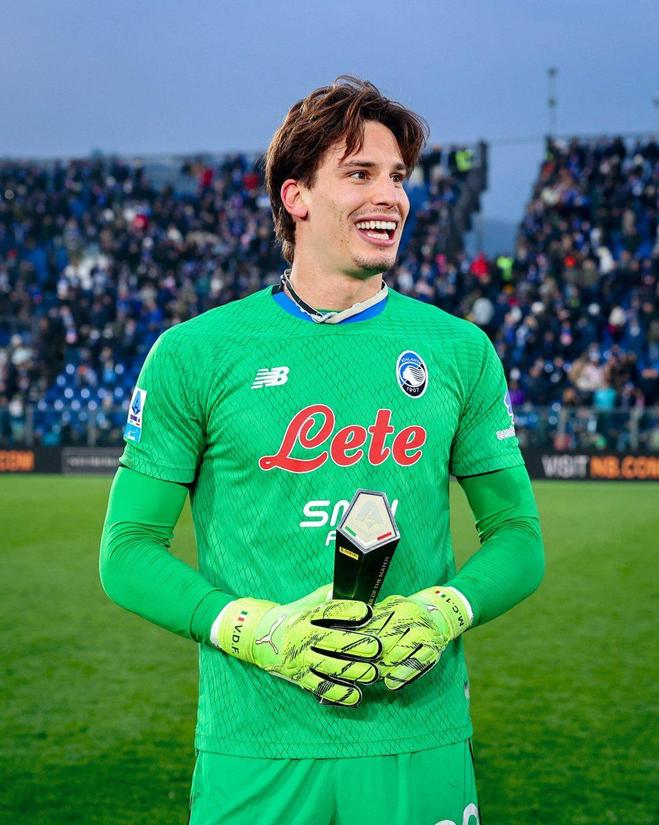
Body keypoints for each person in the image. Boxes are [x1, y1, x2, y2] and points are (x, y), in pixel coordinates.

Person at [100, 76, 544, 825]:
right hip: (255, 745)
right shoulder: (195, 353)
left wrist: (445, 609)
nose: (391, 196)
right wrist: (256, 630)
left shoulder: (460, 350)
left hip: (419, 736)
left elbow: (519, 536)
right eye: (361, 173)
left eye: (398, 177)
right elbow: (126, 550)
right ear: (296, 196)